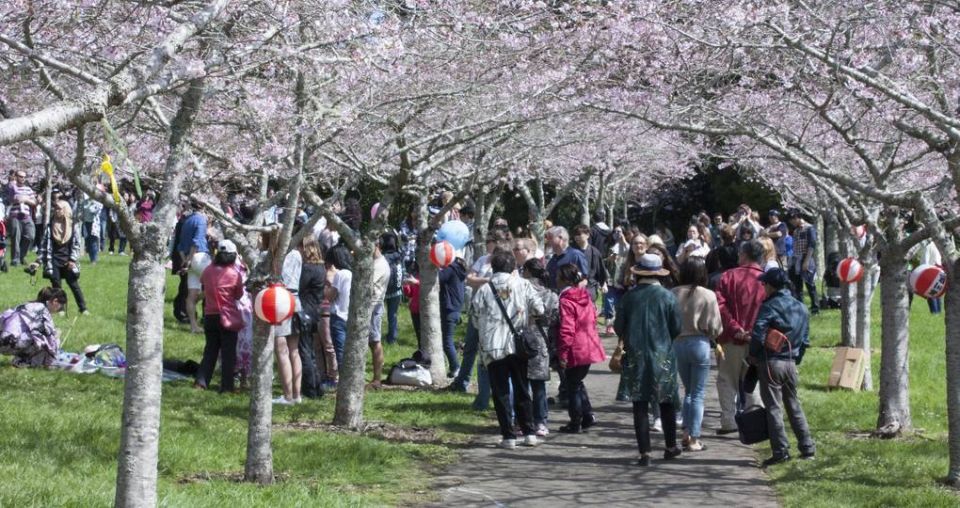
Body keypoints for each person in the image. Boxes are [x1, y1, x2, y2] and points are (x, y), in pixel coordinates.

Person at [470, 248, 544, 449]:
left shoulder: (484, 289)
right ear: (513, 267)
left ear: (493, 267)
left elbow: (475, 318)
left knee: (500, 391)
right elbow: (540, 309)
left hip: (493, 347)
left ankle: (508, 436)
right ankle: (529, 432)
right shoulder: (524, 285)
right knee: (522, 389)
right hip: (518, 345)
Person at [615, 253, 682, 466]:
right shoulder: (668, 297)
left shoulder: (629, 297)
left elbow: (618, 327)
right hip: (663, 355)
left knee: (640, 403)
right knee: (666, 402)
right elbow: (676, 328)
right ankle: (670, 447)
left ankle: (645, 453)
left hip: (636, 355)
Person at [749, 268, 816, 466]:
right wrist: (796, 359)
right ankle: (807, 447)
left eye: (764, 284)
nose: (763, 288)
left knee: (774, 408)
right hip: (790, 361)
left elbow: (758, 332)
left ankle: (780, 451)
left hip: (771, 362)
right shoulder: (801, 307)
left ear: (770, 286)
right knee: (794, 405)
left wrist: (753, 354)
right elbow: (805, 341)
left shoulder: (769, 306)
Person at [713, 240, 767, 434]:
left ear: (744, 254)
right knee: (754, 382)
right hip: (758, 340)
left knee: (727, 379)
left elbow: (720, 307)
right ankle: (756, 424)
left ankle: (728, 421)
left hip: (731, 339)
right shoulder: (765, 279)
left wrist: (736, 328)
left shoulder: (727, 277)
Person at [672, 258, 723, 452]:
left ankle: (686, 432)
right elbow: (716, 327)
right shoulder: (708, 295)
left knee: (688, 391)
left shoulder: (673, 293)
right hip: (699, 342)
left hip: (678, 342)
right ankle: (694, 437)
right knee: (698, 393)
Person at [555, 264, 607, 433]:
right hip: (589, 345)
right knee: (577, 383)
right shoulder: (585, 296)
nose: (555, 279)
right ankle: (587, 416)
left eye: (558, 276)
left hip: (575, 349)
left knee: (572, 386)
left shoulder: (566, 300)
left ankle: (576, 421)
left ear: (564, 279)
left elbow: (567, 329)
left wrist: (562, 354)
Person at [195, 240, 244, 393]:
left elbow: (203, 282)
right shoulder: (234, 274)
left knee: (210, 350)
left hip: (210, 315)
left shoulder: (208, 271)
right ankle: (227, 387)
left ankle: (201, 382)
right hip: (228, 317)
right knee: (228, 354)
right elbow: (239, 294)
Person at [32, 197, 89, 315]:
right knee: (56, 287)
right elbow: (44, 245)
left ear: (65, 210)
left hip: (68, 261)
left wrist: (72, 260)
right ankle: (60, 309)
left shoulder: (73, 226)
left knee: (74, 285)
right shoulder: (50, 226)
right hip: (53, 261)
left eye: (59, 209)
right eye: (55, 209)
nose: (56, 211)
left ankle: (83, 308)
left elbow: (77, 245)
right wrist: (38, 261)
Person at [521, 258, 557, 437]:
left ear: (527, 271)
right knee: (539, 385)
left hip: (519, 341)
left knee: (521, 384)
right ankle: (541, 422)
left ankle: (522, 422)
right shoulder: (550, 294)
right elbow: (556, 320)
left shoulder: (519, 290)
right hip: (540, 343)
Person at [274, 241, 304, 405]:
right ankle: (296, 394)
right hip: (296, 300)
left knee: (282, 350)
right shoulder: (297, 254)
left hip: (281, 299)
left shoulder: (276, 255)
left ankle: (288, 395)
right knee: (294, 350)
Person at [297, 235, 327, 399]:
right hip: (314, 311)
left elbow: (298, 287)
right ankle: (317, 386)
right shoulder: (321, 267)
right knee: (311, 352)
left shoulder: (308, 268)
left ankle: (310, 389)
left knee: (305, 352)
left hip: (305, 312)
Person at [175, 200, 210, 333]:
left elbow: (180, 246)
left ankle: (194, 326)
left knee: (191, 294)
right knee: (215, 287)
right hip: (199, 257)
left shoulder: (186, 221)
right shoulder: (200, 220)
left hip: (188, 259)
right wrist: (189, 260)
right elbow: (196, 242)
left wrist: (185, 261)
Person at [438, 251, 467, 378]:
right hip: (455, 309)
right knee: (447, 340)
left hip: (449, 310)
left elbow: (438, 278)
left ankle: (456, 367)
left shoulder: (450, 269)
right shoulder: (459, 270)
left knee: (447, 342)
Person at [324, 244, 353, 370]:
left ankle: (343, 383)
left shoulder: (340, 275)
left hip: (339, 316)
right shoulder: (353, 273)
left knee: (340, 353)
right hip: (351, 316)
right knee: (351, 351)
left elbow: (330, 296)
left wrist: (325, 286)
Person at [367, 244, 390, 388]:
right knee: (372, 342)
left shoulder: (380, 265)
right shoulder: (376, 262)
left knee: (375, 341)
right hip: (372, 305)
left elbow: (366, 284)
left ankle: (377, 380)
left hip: (374, 306)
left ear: (376, 246)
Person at [788, 211, 820, 314]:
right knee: (797, 285)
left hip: (806, 258)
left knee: (810, 284)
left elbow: (812, 245)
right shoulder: (796, 230)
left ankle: (815, 308)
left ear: (797, 218)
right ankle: (800, 307)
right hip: (796, 259)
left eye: (792, 220)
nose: (792, 223)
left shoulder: (809, 228)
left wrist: (806, 261)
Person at [5, 170, 37, 267]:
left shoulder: (28, 189)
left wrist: (26, 199)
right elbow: (9, 199)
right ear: (16, 177)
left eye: (24, 177)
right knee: (16, 237)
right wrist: (16, 199)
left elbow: (34, 202)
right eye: (20, 176)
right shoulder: (11, 187)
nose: (22, 178)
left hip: (26, 216)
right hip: (15, 215)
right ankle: (15, 259)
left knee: (30, 235)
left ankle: (22, 256)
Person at [545, 226, 589, 290]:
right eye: (547, 238)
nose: (547, 240)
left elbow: (584, 280)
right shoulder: (552, 259)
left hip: (569, 298)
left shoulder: (576, 255)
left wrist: (571, 295)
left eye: (550, 237)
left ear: (560, 238)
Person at [571, 224, 607, 302]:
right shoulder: (571, 252)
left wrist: (603, 283)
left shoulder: (595, 252)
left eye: (579, 234)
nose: (576, 237)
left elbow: (600, 271)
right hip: (574, 287)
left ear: (587, 235)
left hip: (590, 287)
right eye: (575, 235)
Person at [381, 233, 404, 345]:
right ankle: (392, 337)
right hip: (397, 289)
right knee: (393, 314)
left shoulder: (383, 257)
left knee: (379, 313)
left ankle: (375, 336)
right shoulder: (399, 255)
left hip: (384, 290)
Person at [79, 190, 103, 265]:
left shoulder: (97, 203)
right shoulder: (85, 202)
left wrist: (93, 204)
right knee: (87, 241)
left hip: (94, 225)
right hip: (86, 224)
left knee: (93, 242)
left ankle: (94, 260)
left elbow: (93, 210)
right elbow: (82, 211)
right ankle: (91, 258)